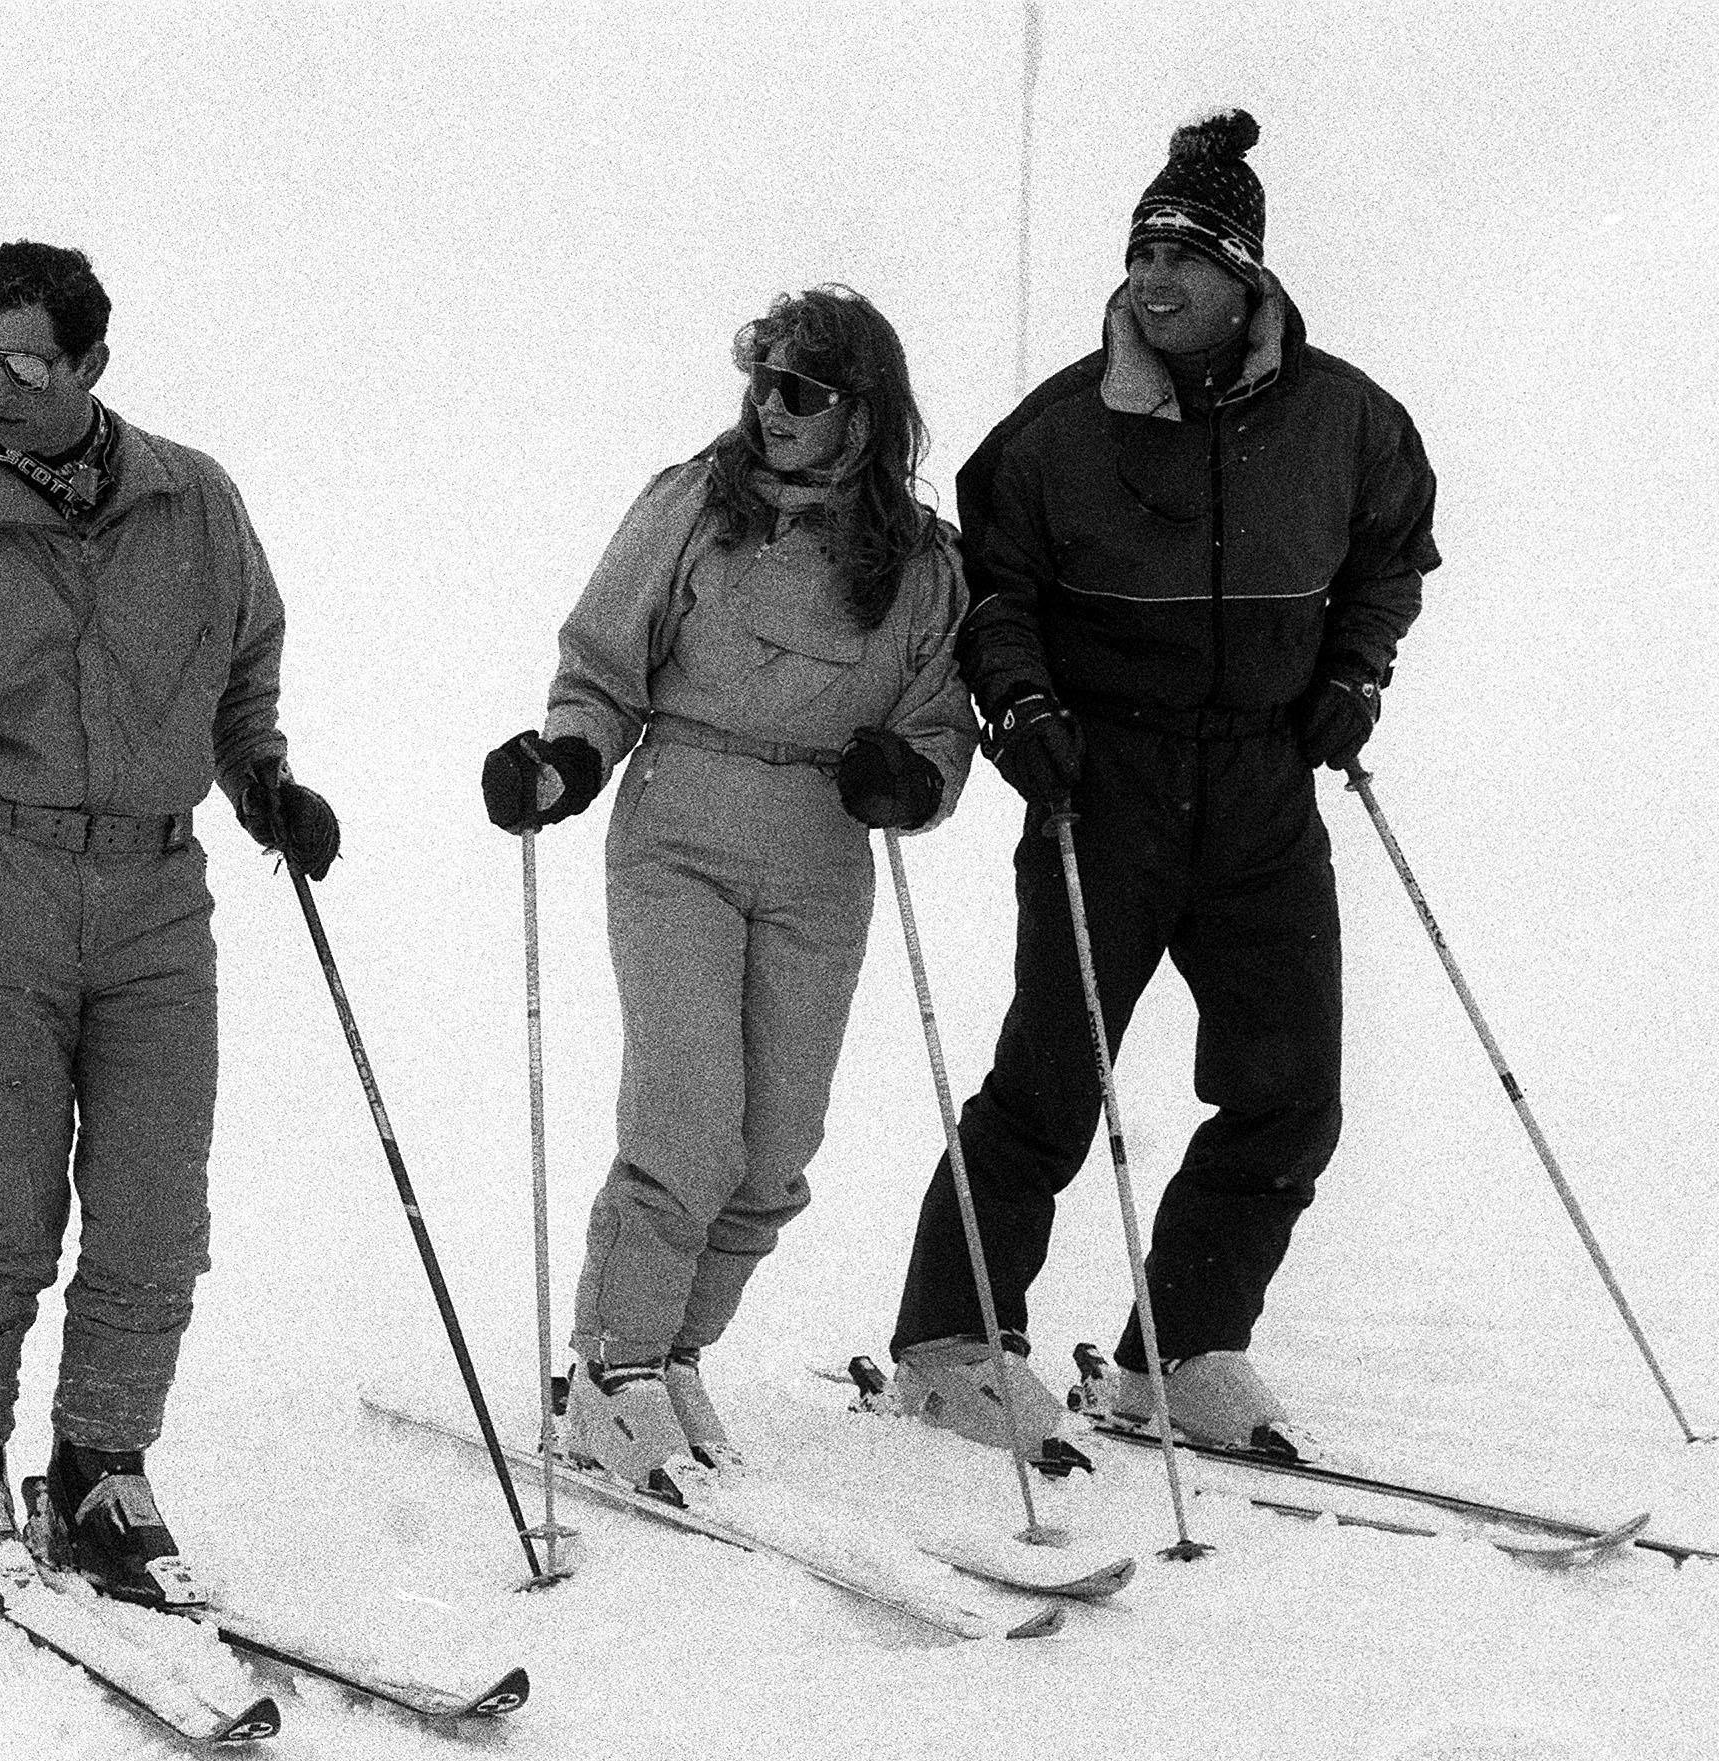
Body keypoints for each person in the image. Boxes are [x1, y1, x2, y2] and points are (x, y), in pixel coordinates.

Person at [883, 110, 1440, 1463]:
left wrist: (1353, 673)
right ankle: (949, 1340)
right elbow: (990, 592)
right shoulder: (1059, 434)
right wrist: (1019, 706)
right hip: (1104, 782)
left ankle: (1180, 1348)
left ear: (1246, 278)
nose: (1150, 279)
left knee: (1288, 1087)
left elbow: (1390, 556)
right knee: (1050, 1084)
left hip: (1259, 784)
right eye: (1138, 250)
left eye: (1181, 257)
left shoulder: (1346, 422)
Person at [0, 240, 337, 1605]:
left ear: (91, 364)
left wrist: (266, 781)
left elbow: (242, 662)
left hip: (158, 895)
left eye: (21, 362)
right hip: (0, 884)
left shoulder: (193, 503)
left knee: (156, 1210)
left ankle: (103, 1464)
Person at [484, 286, 973, 1494]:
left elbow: (940, 722)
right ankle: (614, 1367)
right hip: (684, 825)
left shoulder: (916, 562)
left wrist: (904, 778)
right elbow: (604, 661)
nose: (769, 407)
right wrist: (566, 758)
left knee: (774, 1149)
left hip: (818, 849)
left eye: (800, 389)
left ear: (864, 416)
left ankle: (672, 1351)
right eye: (760, 377)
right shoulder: (695, 509)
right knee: (687, 1117)